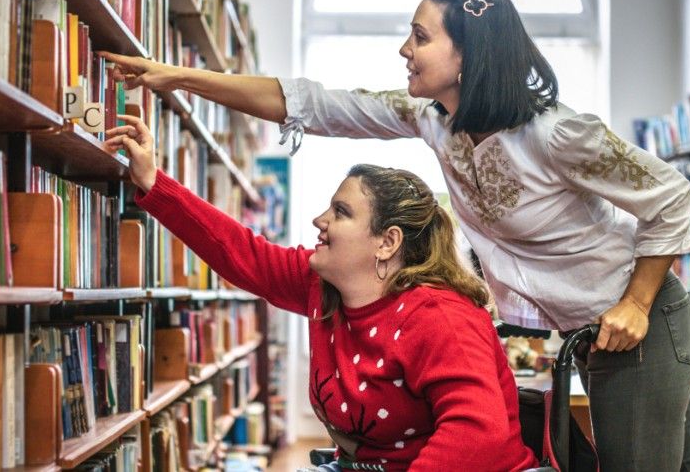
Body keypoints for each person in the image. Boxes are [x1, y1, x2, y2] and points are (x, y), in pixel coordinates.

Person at [104, 0, 690, 471]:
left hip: (638, 323)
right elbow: (315, 103)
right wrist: (180, 78)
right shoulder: (434, 120)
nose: (405, 50)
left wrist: (636, 303)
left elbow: (670, 195)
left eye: (419, 37)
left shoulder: (557, 133)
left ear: (466, 54)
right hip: (587, 329)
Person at [104, 115, 537, 471]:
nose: (319, 220)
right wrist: (154, 182)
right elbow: (241, 253)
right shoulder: (322, 287)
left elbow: (478, 434)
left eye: (341, 213)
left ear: (387, 242)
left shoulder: (441, 317)